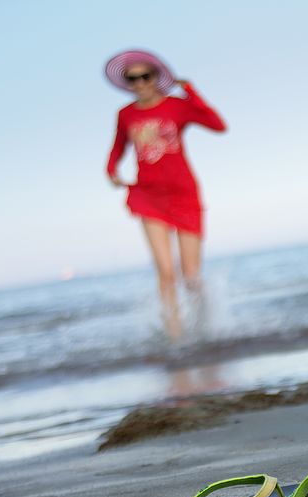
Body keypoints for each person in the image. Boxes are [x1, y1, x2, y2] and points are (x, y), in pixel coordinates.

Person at [105, 50, 226, 338]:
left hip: (183, 193)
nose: (140, 83)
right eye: (132, 78)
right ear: (127, 82)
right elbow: (117, 148)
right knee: (166, 272)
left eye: (145, 76)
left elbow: (218, 125)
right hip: (148, 195)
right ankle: (176, 337)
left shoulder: (177, 106)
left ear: (156, 77)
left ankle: (206, 327)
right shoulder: (125, 114)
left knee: (191, 277)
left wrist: (190, 90)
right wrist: (111, 171)